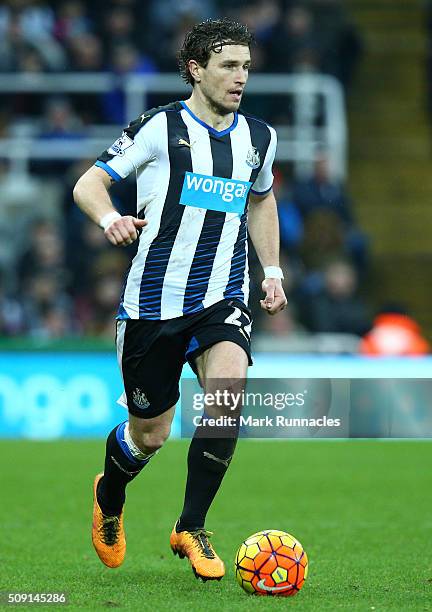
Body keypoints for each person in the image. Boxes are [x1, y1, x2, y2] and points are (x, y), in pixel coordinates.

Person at [73, 18, 287, 582]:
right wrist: (111, 217)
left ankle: (191, 525)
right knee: (152, 435)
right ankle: (110, 493)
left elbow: (262, 201)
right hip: (152, 305)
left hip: (222, 297)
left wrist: (272, 270)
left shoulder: (259, 138)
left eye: (245, 66)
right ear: (196, 70)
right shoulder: (157, 127)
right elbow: (88, 184)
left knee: (226, 396)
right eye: (228, 66)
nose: (241, 76)